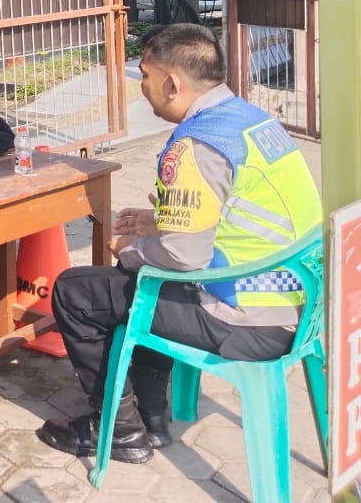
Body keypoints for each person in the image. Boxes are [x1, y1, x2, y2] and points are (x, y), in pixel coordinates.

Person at [38, 23, 322, 464]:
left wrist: (129, 248)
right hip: (298, 303)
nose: (142, 87)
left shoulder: (197, 144)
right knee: (139, 282)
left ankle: (120, 430)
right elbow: (234, 215)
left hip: (247, 317)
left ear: (172, 83)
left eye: (145, 76)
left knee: (78, 291)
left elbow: (184, 257)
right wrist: (160, 223)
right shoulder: (251, 121)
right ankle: (151, 415)